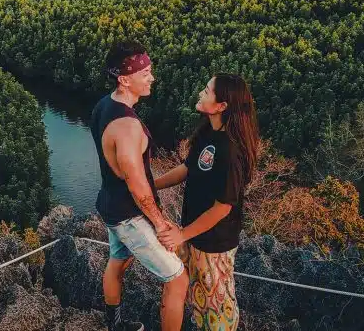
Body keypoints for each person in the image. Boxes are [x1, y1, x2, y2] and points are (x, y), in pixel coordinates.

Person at [91, 40, 189, 331]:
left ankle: (115, 326)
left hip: (109, 204)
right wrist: (159, 223)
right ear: (124, 79)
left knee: (117, 262)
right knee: (177, 277)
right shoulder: (128, 127)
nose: (152, 77)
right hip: (130, 215)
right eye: (144, 72)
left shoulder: (103, 106)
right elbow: (137, 185)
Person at [156, 73, 259, 331]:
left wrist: (182, 235)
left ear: (222, 106)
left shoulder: (231, 150)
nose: (200, 93)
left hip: (214, 243)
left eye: (206, 90)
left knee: (217, 308)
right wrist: (150, 184)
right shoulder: (207, 133)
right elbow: (187, 168)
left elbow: (224, 207)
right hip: (193, 235)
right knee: (194, 299)